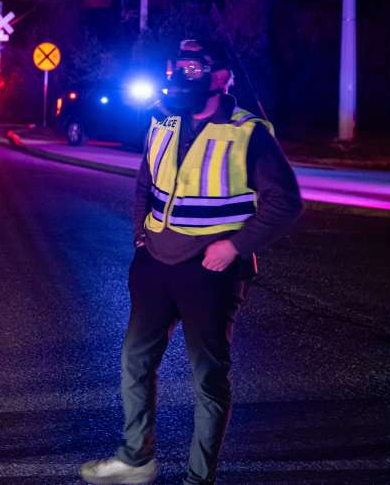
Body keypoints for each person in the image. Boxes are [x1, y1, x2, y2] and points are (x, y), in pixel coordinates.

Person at [80, 40, 303, 485]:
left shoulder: (248, 132)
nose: (183, 75)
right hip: (155, 266)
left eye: (195, 67)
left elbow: (286, 202)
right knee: (134, 361)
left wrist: (234, 248)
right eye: (178, 65)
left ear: (221, 77)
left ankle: (199, 479)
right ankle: (136, 460)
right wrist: (141, 234)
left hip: (211, 273)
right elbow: (146, 178)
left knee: (207, 379)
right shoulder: (163, 119)